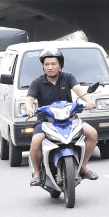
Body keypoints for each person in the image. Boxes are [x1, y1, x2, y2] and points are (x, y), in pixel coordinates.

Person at [26, 48, 99, 186]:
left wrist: (88, 101)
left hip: (69, 119)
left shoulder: (68, 77)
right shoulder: (37, 82)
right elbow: (29, 99)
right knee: (36, 141)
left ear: (60, 65)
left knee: (92, 133)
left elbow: (79, 90)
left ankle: (83, 167)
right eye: (46, 64)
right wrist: (29, 108)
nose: (50, 67)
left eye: (53, 64)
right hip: (46, 121)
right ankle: (37, 173)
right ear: (43, 66)